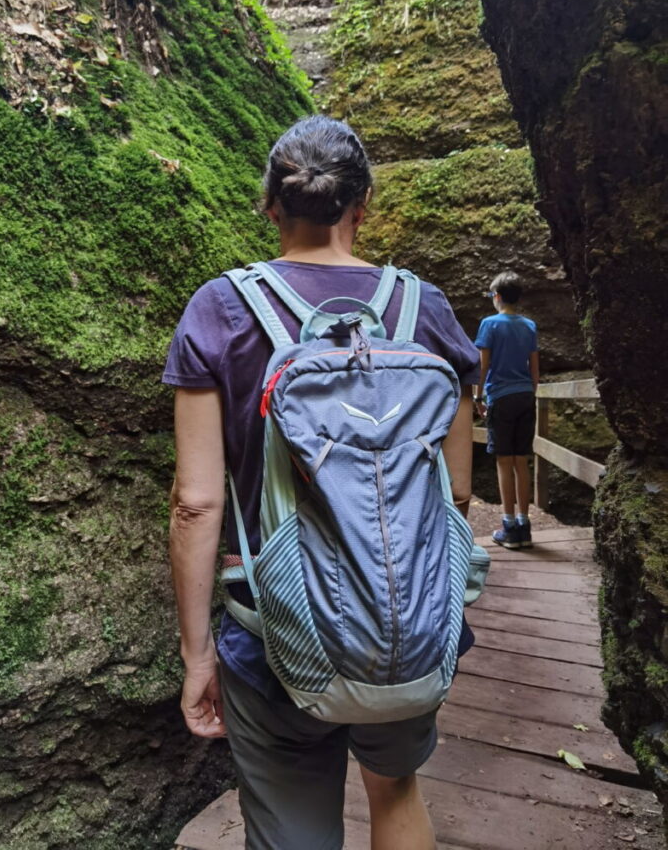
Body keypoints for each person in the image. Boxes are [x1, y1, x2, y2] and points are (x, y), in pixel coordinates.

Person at [163, 115, 480, 850]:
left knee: (290, 831)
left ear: (270, 205)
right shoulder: (422, 309)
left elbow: (196, 503)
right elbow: (455, 496)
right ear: (362, 205)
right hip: (407, 623)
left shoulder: (221, 308)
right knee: (397, 793)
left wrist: (196, 654)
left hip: (272, 626)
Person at [473, 272, 540, 550]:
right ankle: (525, 526)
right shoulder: (529, 326)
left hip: (500, 396)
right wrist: (530, 393)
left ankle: (509, 526)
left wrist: (478, 397)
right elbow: (534, 367)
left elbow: (482, 366)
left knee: (503, 461)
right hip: (525, 395)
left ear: (497, 296)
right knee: (520, 460)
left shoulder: (489, 324)